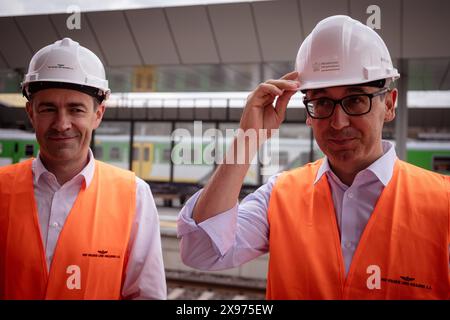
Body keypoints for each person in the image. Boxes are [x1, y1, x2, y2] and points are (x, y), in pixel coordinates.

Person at [177, 15, 450, 299]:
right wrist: (248, 139)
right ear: (309, 112)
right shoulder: (280, 195)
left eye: (356, 99)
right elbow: (201, 252)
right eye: (322, 102)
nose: (338, 121)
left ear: (390, 105)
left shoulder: (444, 203)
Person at [0, 38, 166, 299]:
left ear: (98, 114)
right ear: (31, 112)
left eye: (76, 109)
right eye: (48, 109)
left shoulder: (135, 195)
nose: (61, 123)